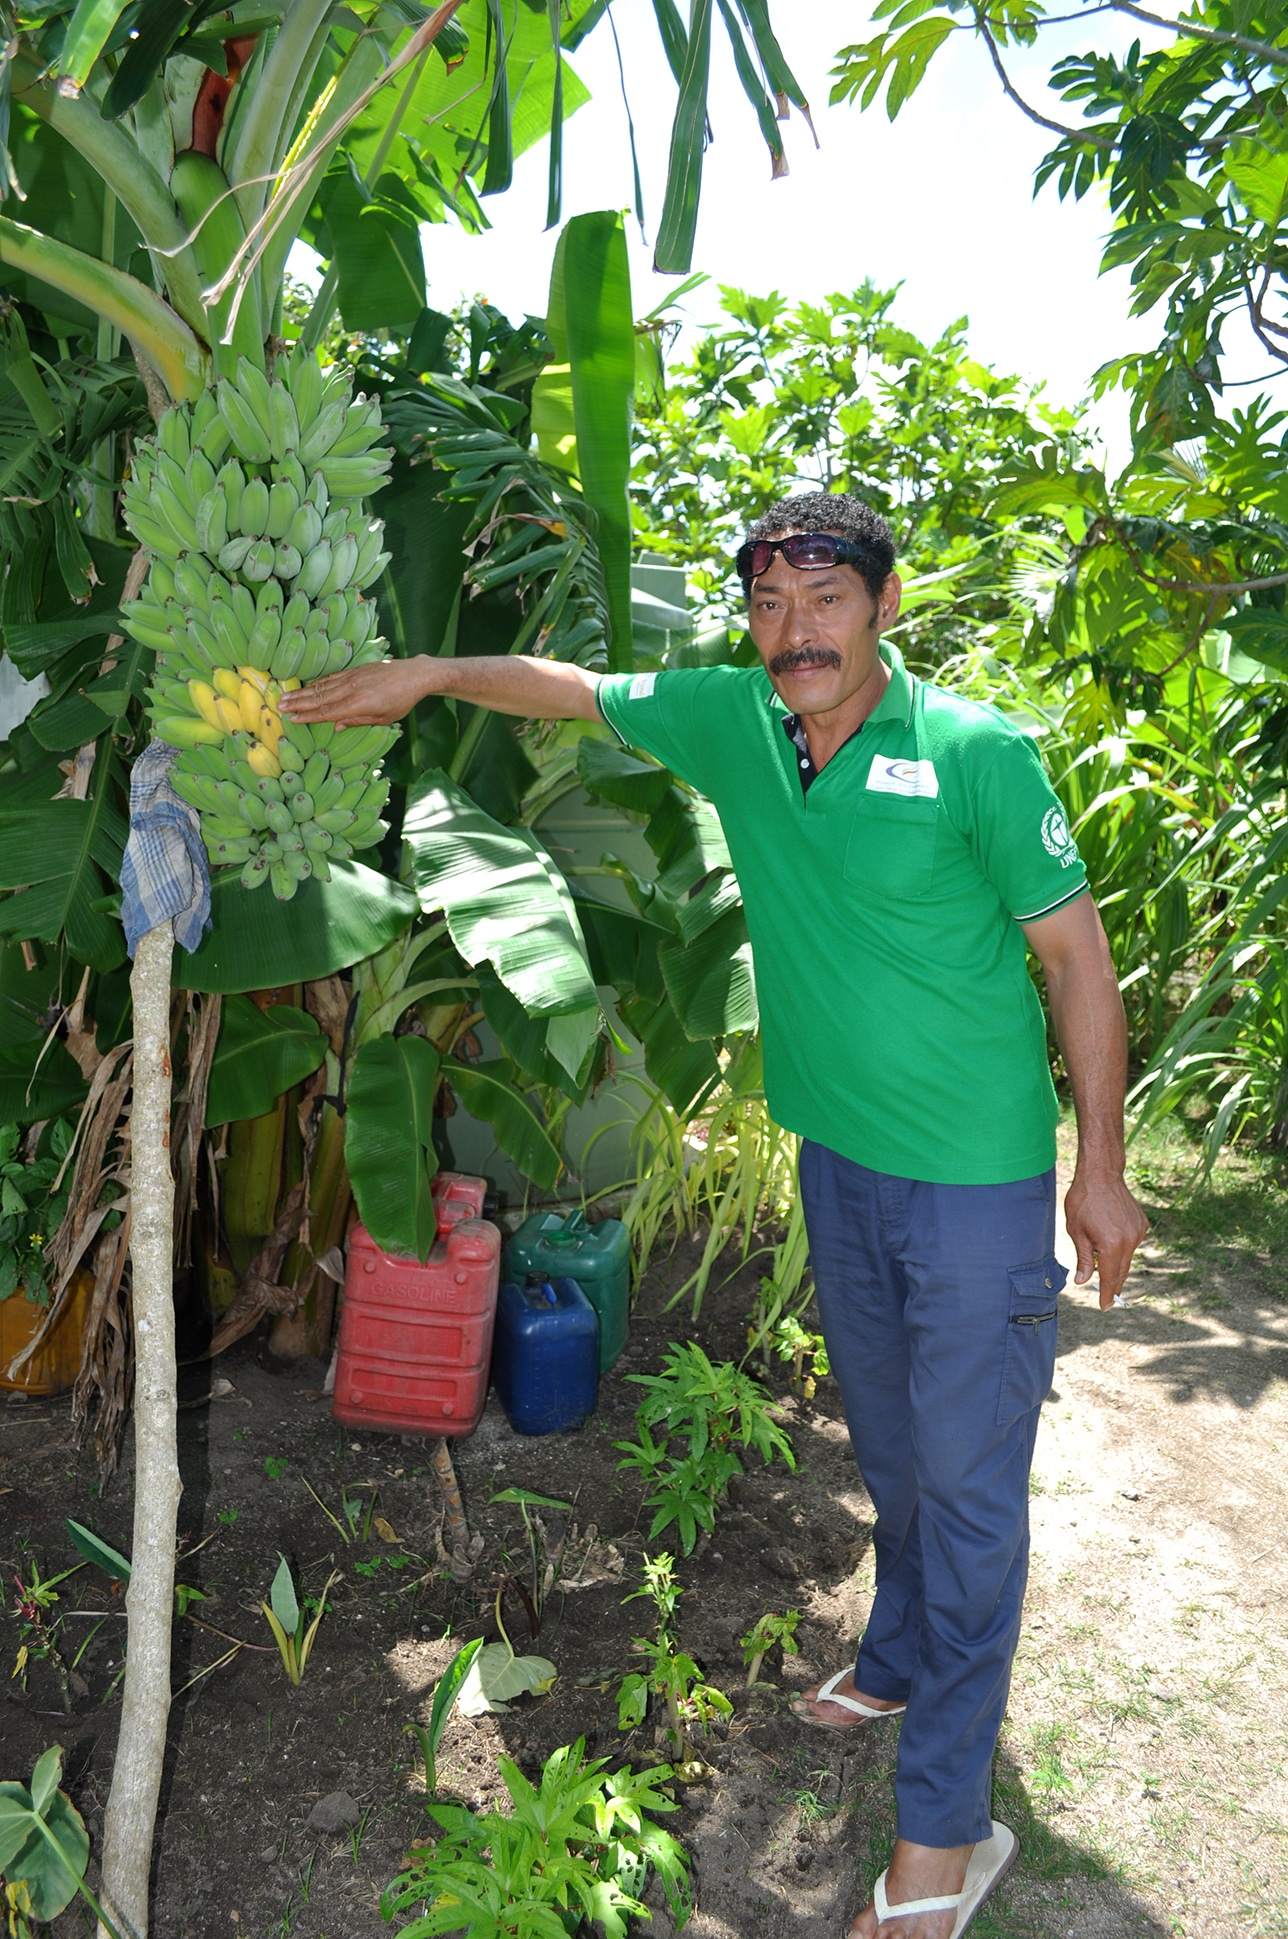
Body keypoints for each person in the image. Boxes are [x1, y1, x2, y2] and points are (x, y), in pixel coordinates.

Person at [281, 491, 1149, 1938]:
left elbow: (1078, 961)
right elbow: (570, 687)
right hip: (845, 1170)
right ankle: (898, 1649)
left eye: (824, 598)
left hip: (979, 1187)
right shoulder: (736, 720)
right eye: (768, 600)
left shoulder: (977, 753)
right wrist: (429, 674)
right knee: (894, 1449)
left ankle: (948, 1835)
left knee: (973, 1490)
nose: (793, 630)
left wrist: (1100, 1169)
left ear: (880, 604)